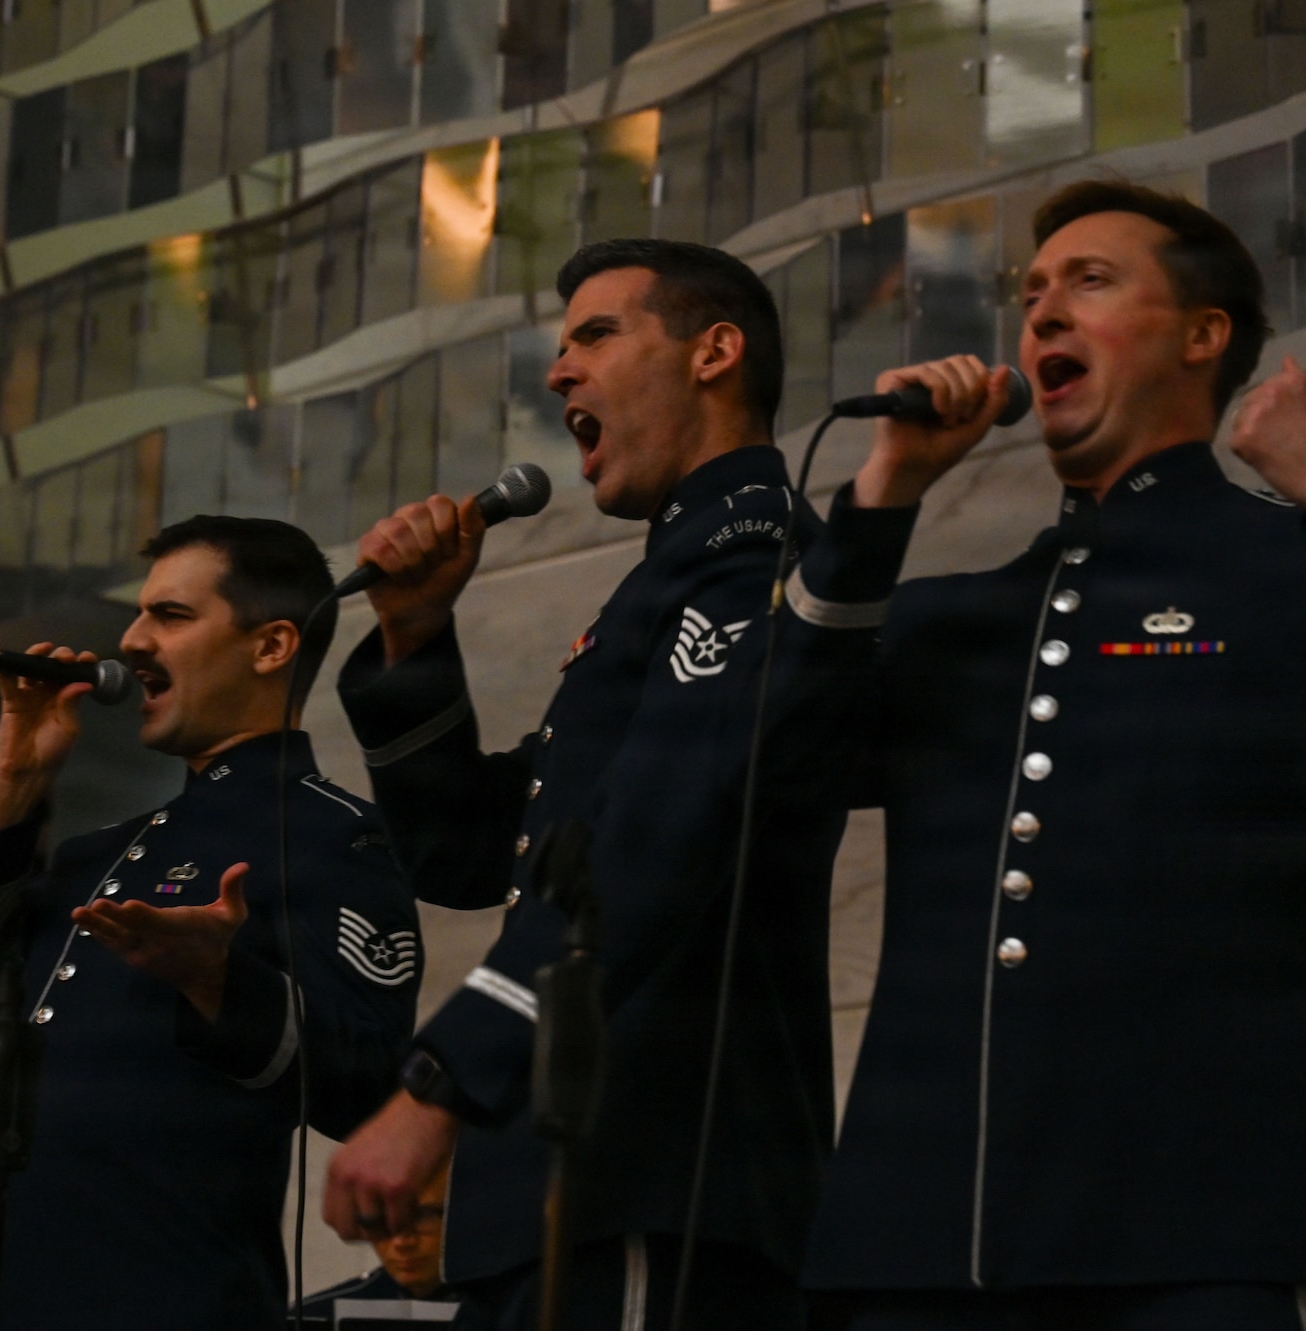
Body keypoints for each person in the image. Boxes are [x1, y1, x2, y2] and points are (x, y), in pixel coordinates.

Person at [785, 181, 1306, 1329]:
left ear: (1202, 337)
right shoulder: (951, 616)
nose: (1042, 313)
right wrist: (879, 497)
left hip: (1201, 1241)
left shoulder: (1296, 567)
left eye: (1090, 283)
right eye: (1031, 293)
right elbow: (769, 777)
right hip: (910, 1255)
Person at [321, 240, 916, 1330]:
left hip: (658, 1171)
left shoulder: (756, 560)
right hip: (565, 1179)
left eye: (596, 335)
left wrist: (438, 1082)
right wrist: (413, 640)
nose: (557, 374)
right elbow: (469, 856)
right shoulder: (667, 580)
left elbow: (644, 849)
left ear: (713, 353)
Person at [0, 516, 420, 1331]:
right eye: (139, 614)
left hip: (167, 1302)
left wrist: (221, 982)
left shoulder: (332, 836)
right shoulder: (97, 851)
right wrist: (12, 786)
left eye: (170, 616)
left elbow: (372, 1085)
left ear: (272, 645)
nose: (132, 640)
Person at [294, 1165, 462, 1327]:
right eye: (382, 1218)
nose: (401, 1242)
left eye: (423, 1216)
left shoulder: (485, 1313)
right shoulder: (310, 1317)